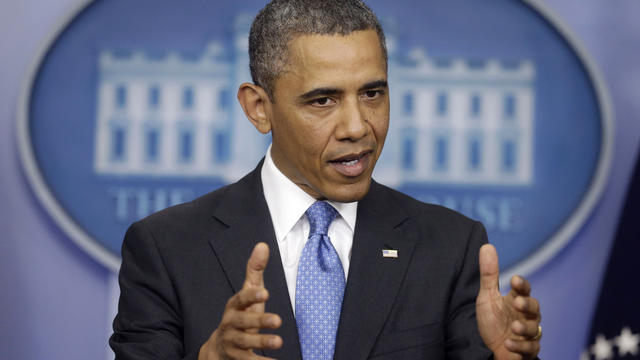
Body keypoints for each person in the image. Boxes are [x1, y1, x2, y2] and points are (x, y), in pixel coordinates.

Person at [110, 1, 542, 359]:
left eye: (372, 93)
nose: (357, 126)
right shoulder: (166, 248)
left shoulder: (451, 245)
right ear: (259, 107)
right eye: (323, 100)